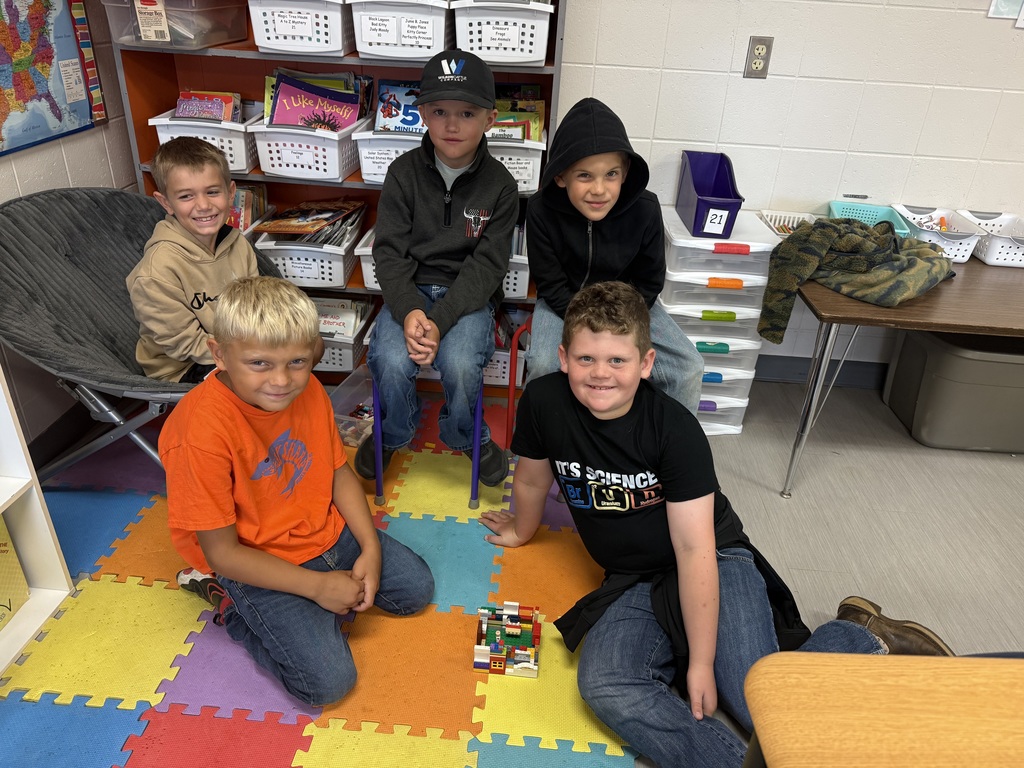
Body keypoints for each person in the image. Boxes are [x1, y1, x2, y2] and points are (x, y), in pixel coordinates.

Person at [481, 281, 954, 768]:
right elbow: (534, 481)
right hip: (634, 580)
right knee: (606, 683)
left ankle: (860, 633)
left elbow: (694, 549)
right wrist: (521, 529)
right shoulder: (544, 401)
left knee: (755, 699)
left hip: (714, 558)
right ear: (563, 358)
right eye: (586, 359)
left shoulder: (675, 431)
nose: (600, 374)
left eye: (617, 361)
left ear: (645, 364)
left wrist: (703, 665)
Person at [159, 276, 434, 706]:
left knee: (416, 591)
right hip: (257, 561)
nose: (282, 381)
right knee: (327, 684)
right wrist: (316, 588)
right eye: (260, 364)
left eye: (298, 362)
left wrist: (369, 548)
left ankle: (316, 594)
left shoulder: (308, 394)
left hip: (325, 535)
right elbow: (225, 554)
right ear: (219, 355)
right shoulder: (198, 433)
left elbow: (338, 474)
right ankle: (233, 608)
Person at [357, 49, 519, 487]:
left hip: (465, 297)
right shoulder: (402, 174)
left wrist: (441, 318)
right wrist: (411, 310)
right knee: (389, 359)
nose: (452, 125)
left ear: (489, 119)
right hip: (408, 290)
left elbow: (488, 266)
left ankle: (466, 434)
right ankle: (394, 432)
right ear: (423, 113)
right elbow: (388, 253)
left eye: (466, 113)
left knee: (463, 362)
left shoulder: (502, 186)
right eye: (440, 111)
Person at [524, 97, 704, 414]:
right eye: (584, 176)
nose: (599, 189)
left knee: (689, 367)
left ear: (625, 173)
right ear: (560, 176)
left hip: (630, 305)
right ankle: (545, 448)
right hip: (562, 303)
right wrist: (589, 328)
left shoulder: (646, 209)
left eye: (610, 174)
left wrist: (615, 325)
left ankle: (670, 450)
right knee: (543, 364)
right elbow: (549, 284)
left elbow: (649, 282)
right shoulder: (540, 211)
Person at [127, 137, 258, 384]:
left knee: (308, 347)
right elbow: (183, 344)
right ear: (166, 203)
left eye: (212, 192)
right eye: (186, 196)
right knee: (256, 379)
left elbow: (254, 306)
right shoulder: (157, 271)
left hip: (238, 349)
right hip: (184, 367)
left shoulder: (238, 243)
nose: (203, 205)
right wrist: (252, 357)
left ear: (230, 193)